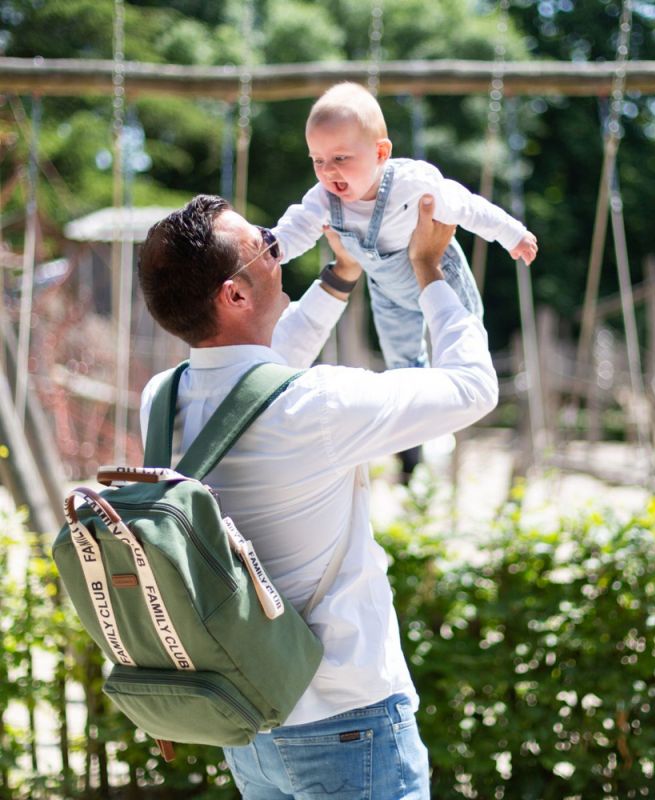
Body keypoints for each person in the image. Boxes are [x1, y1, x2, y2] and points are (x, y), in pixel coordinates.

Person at [136, 192, 498, 799]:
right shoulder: (319, 404)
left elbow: (257, 375)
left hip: (248, 714)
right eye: (267, 247)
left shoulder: (162, 400)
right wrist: (432, 271)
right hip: (347, 720)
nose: (281, 248)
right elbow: (473, 387)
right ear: (235, 294)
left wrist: (340, 274)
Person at [274, 81, 539, 371]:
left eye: (340, 158)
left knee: (464, 336)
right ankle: (419, 393)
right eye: (318, 160)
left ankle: (466, 377)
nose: (327, 170)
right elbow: (299, 224)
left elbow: (468, 206)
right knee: (401, 361)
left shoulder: (412, 184)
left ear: (380, 153)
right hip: (389, 293)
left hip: (441, 272)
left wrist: (511, 234)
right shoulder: (324, 198)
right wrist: (273, 248)